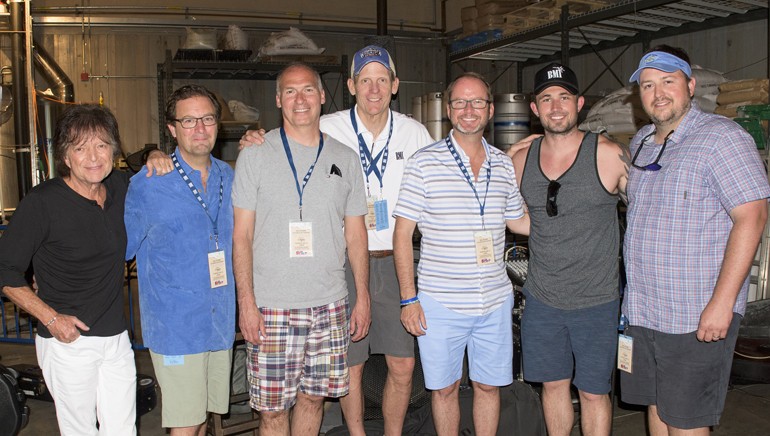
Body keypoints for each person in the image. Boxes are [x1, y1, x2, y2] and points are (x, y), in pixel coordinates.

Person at [240, 44, 434, 435]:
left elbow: (441, 177)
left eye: (382, 80)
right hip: (341, 264)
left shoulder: (414, 133)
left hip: (396, 261)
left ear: (395, 85)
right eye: (366, 80)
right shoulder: (326, 126)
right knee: (351, 366)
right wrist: (252, 136)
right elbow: (288, 134)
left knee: (401, 364)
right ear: (350, 86)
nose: (374, 89)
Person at [621, 45, 770, 435]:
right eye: (648, 85)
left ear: (689, 85)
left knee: (685, 422)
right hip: (643, 309)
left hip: (694, 313)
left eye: (668, 81)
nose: (658, 93)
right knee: (655, 408)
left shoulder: (721, 138)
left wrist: (722, 304)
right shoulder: (640, 143)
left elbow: (752, 217)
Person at [232, 62, 369, 436]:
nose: (300, 99)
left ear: (322, 96)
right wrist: (246, 303)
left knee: (314, 399)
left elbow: (356, 234)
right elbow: (240, 236)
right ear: (278, 100)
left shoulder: (345, 158)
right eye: (290, 91)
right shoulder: (255, 154)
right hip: (272, 308)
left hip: (330, 304)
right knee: (273, 412)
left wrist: (362, 298)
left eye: (308, 89)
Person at [393, 72, 530, 436]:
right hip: (441, 303)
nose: (469, 110)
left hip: (494, 302)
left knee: (488, 386)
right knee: (446, 388)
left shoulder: (503, 164)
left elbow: (520, 222)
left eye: (477, 102)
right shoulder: (424, 163)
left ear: (490, 109)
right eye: (460, 103)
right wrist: (409, 299)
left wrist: (573, 216)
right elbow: (402, 235)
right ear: (449, 109)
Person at [0, 104, 137, 435]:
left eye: (101, 145)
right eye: (80, 148)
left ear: (114, 150)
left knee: (123, 430)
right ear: (65, 156)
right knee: (81, 431)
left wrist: (158, 156)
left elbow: (155, 170)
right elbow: (5, 270)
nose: (93, 156)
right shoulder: (43, 202)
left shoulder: (120, 187)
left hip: (116, 339)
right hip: (68, 342)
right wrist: (51, 319)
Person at [508, 63, 628, 436]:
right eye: (546, 98)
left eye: (563, 97)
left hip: (596, 302)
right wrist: (510, 149)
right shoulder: (520, 161)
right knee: (553, 385)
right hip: (543, 300)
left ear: (579, 103)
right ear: (534, 109)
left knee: (593, 392)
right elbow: (519, 221)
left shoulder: (609, 155)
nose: (555, 106)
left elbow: (650, 214)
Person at [125, 84, 236, 436]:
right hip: (177, 328)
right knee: (185, 425)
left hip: (219, 322)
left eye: (207, 119)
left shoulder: (230, 177)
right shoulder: (149, 183)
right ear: (172, 129)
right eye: (188, 121)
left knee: (200, 418)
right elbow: (117, 250)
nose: (200, 129)